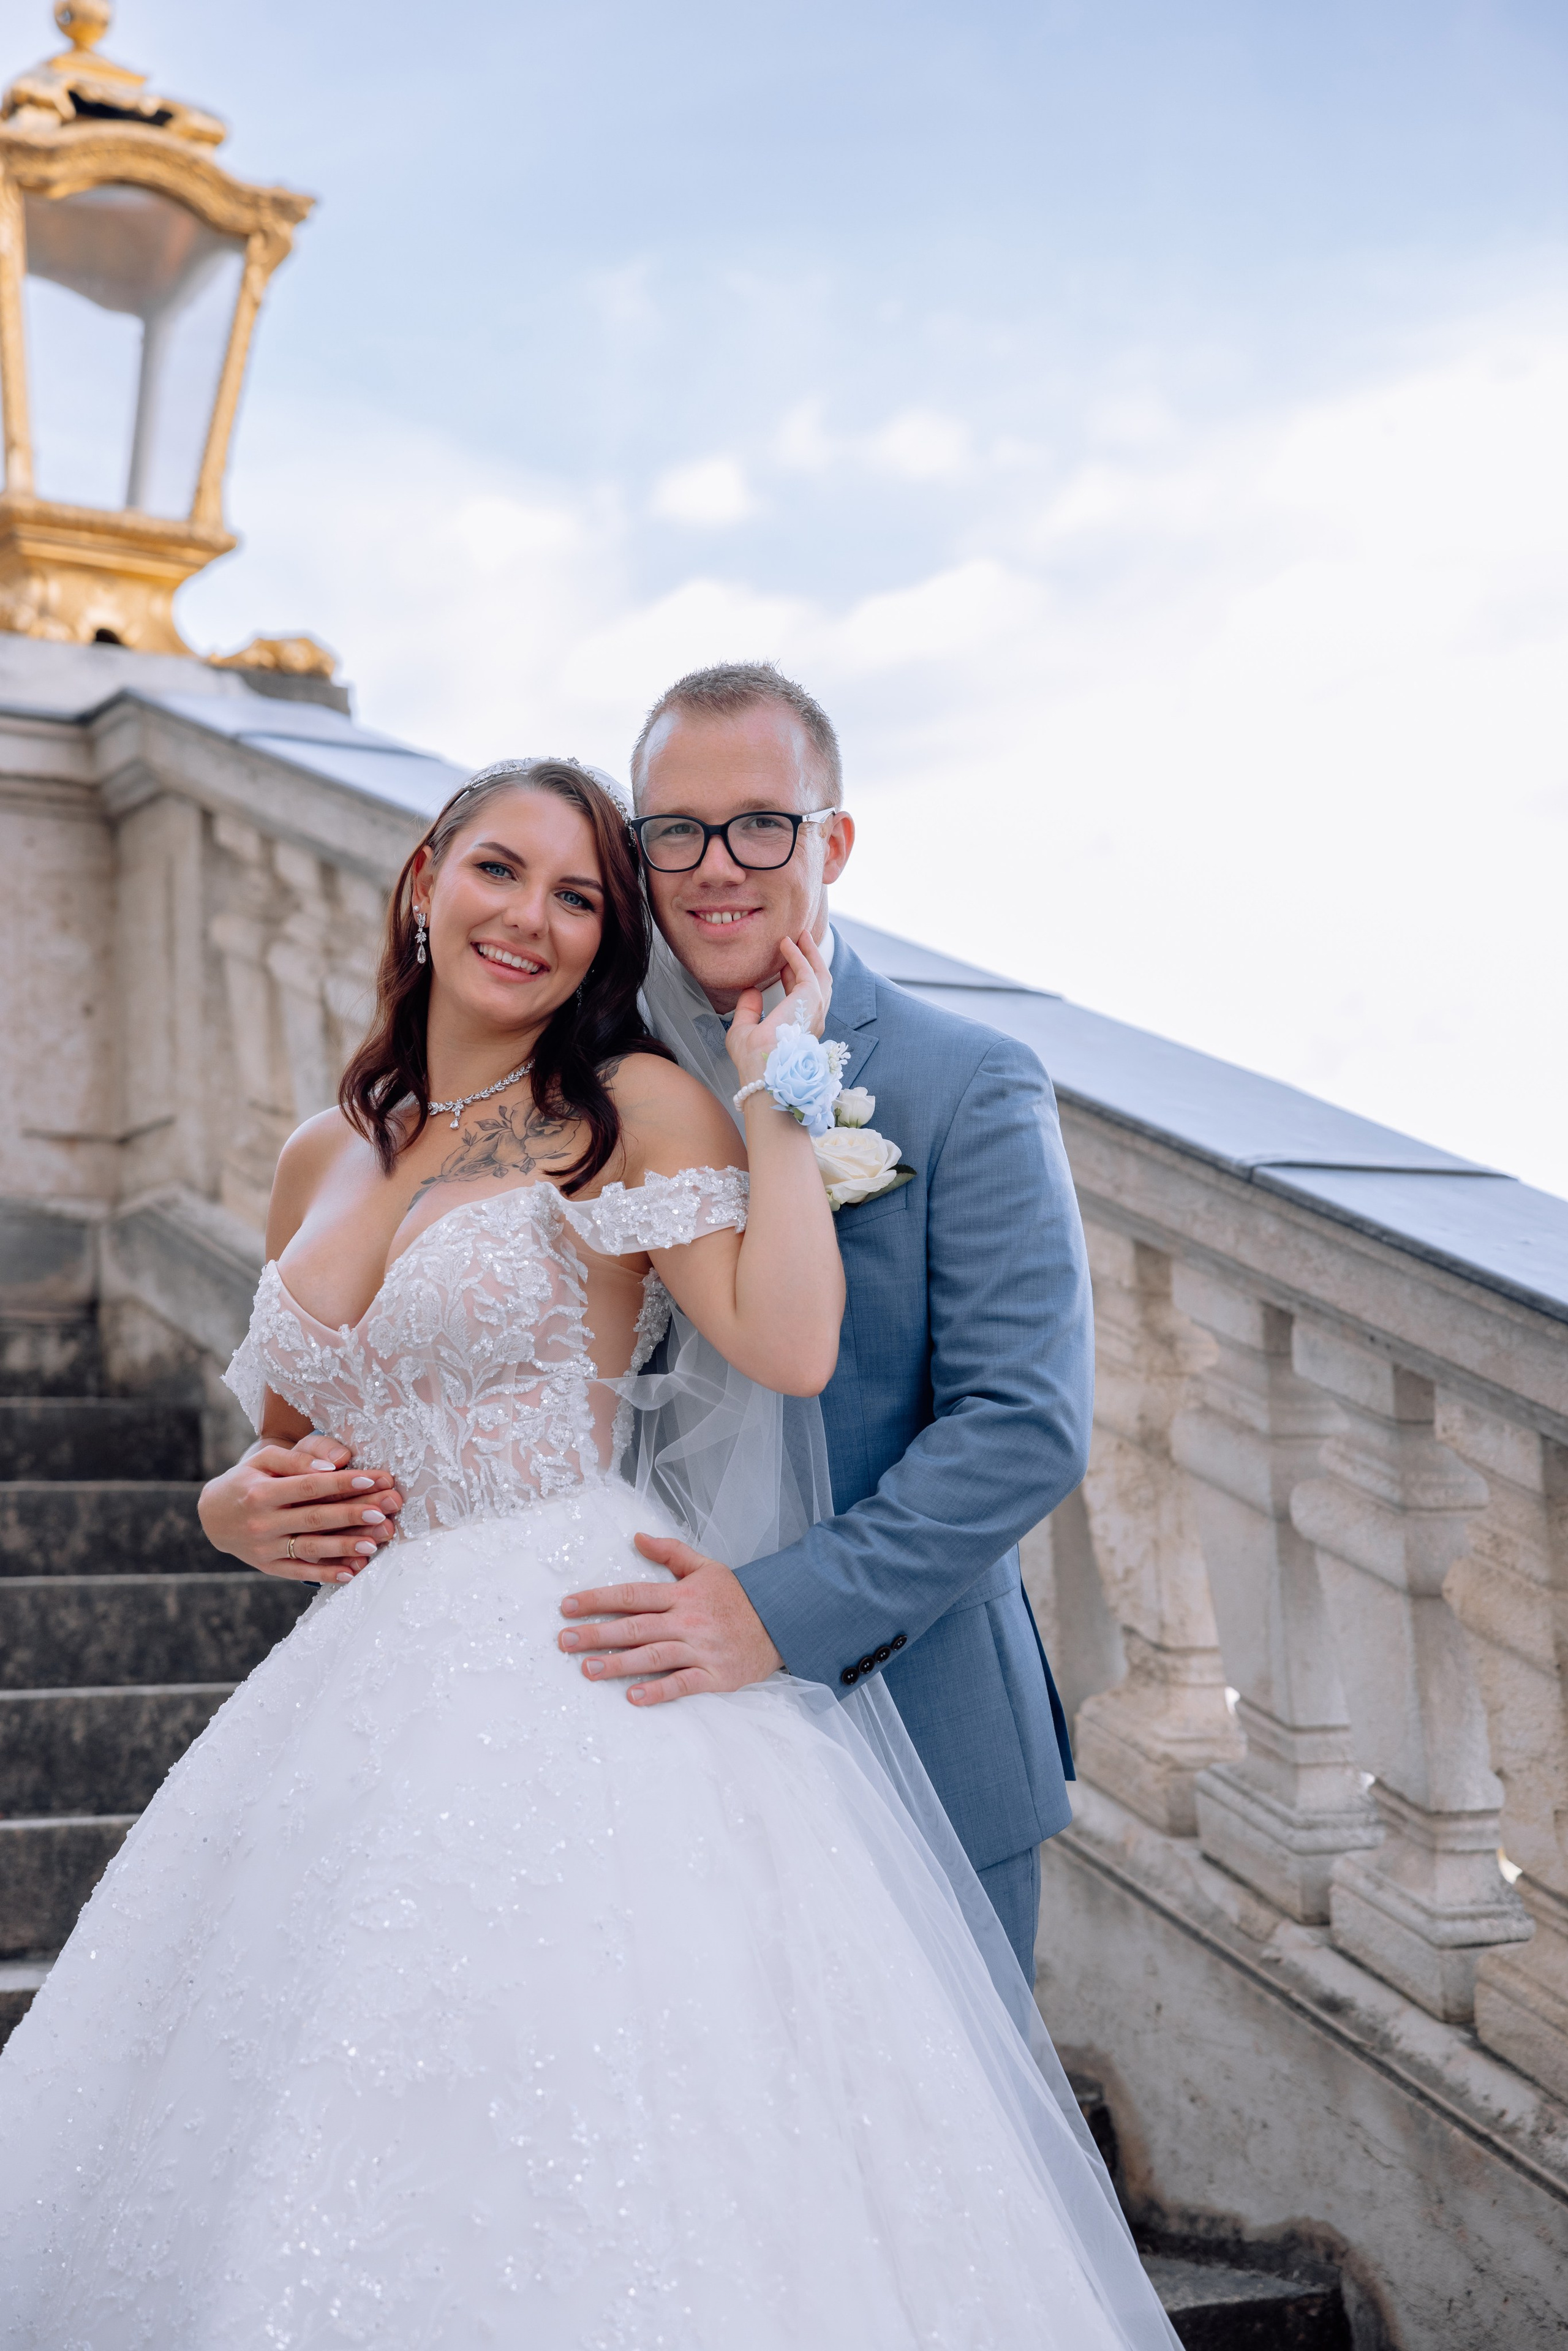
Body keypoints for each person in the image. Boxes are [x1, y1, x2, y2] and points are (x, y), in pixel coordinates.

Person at [0, 757, 1175, 2348]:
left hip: (573, 1644)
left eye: (579, 898)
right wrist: (229, 1506)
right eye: (501, 869)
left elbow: (793, 1339)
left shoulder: (622, 1114)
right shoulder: (316, 1155)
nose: (532, 918)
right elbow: (287, 1437)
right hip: (360, 1682)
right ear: (424, 879)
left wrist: (776, 1095)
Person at [561, 663, 1093, 1984]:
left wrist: (775, 1614)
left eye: (761, 823)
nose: (714, 866)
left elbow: (1021, 1426)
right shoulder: (578, 1080)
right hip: (625, 1736)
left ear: (833, 840)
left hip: (912, 1735)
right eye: (672, 829)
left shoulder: (962, 1081)